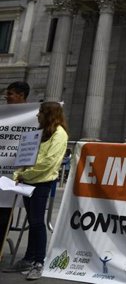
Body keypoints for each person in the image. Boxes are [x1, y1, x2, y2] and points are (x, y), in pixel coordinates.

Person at [3, 102, 68, 280]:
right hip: (28, 181)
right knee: (33, 221)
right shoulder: (41, 134)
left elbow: (49, 162)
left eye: (41, 112)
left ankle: (39, 262)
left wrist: (25, 174)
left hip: (41, 183)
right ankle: (29, 258)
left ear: (49, 114)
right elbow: (27, 155)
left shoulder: (59, 134)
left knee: (37, 222)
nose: (37, 115)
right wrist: (19, 173)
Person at [1, 81, 31, 261]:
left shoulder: (32, 116)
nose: (7, 97)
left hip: (13, 174)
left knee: (4, 212)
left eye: (10, 94)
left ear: (21, 95)